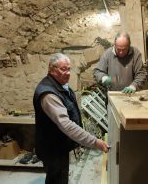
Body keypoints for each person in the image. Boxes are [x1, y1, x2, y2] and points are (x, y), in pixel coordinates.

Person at [33, 53, 109, 184]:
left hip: (59, 145)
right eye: (63, 69)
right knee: (56, 179)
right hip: (52, 148)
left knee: (60, 177)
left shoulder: (61, 86)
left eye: (69, 69)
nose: (68, 73)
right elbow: (66, 125)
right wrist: (95, 142)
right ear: (51, 69)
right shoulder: (48, 94)